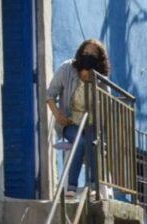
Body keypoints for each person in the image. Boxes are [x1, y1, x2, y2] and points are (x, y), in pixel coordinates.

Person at [45, 39, 110, 194]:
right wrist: (58, 114)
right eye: (86, 52)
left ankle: (94, 186)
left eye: (93, 54)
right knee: (79, 142)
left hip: (92, 124)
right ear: (80, 53)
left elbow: (108, 103)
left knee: (93, 142)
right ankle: (71, 187)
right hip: (70, 123)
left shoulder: (100, 79)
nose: (88, 56)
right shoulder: (67, 68)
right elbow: (49, 94)